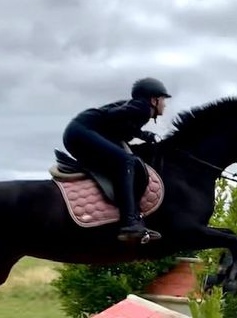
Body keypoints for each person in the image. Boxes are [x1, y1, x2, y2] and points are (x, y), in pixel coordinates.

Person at [62, 77, 170, 242]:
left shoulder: (137, 107)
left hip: (77, 132)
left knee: (125, 159)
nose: (165, 104)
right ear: (154, 100)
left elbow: (122, 127)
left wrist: (145, 135)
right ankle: (130, 222)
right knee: (125, 161)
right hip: (82, 132)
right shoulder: (142, 108)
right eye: (163, 99)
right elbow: (113, 117)